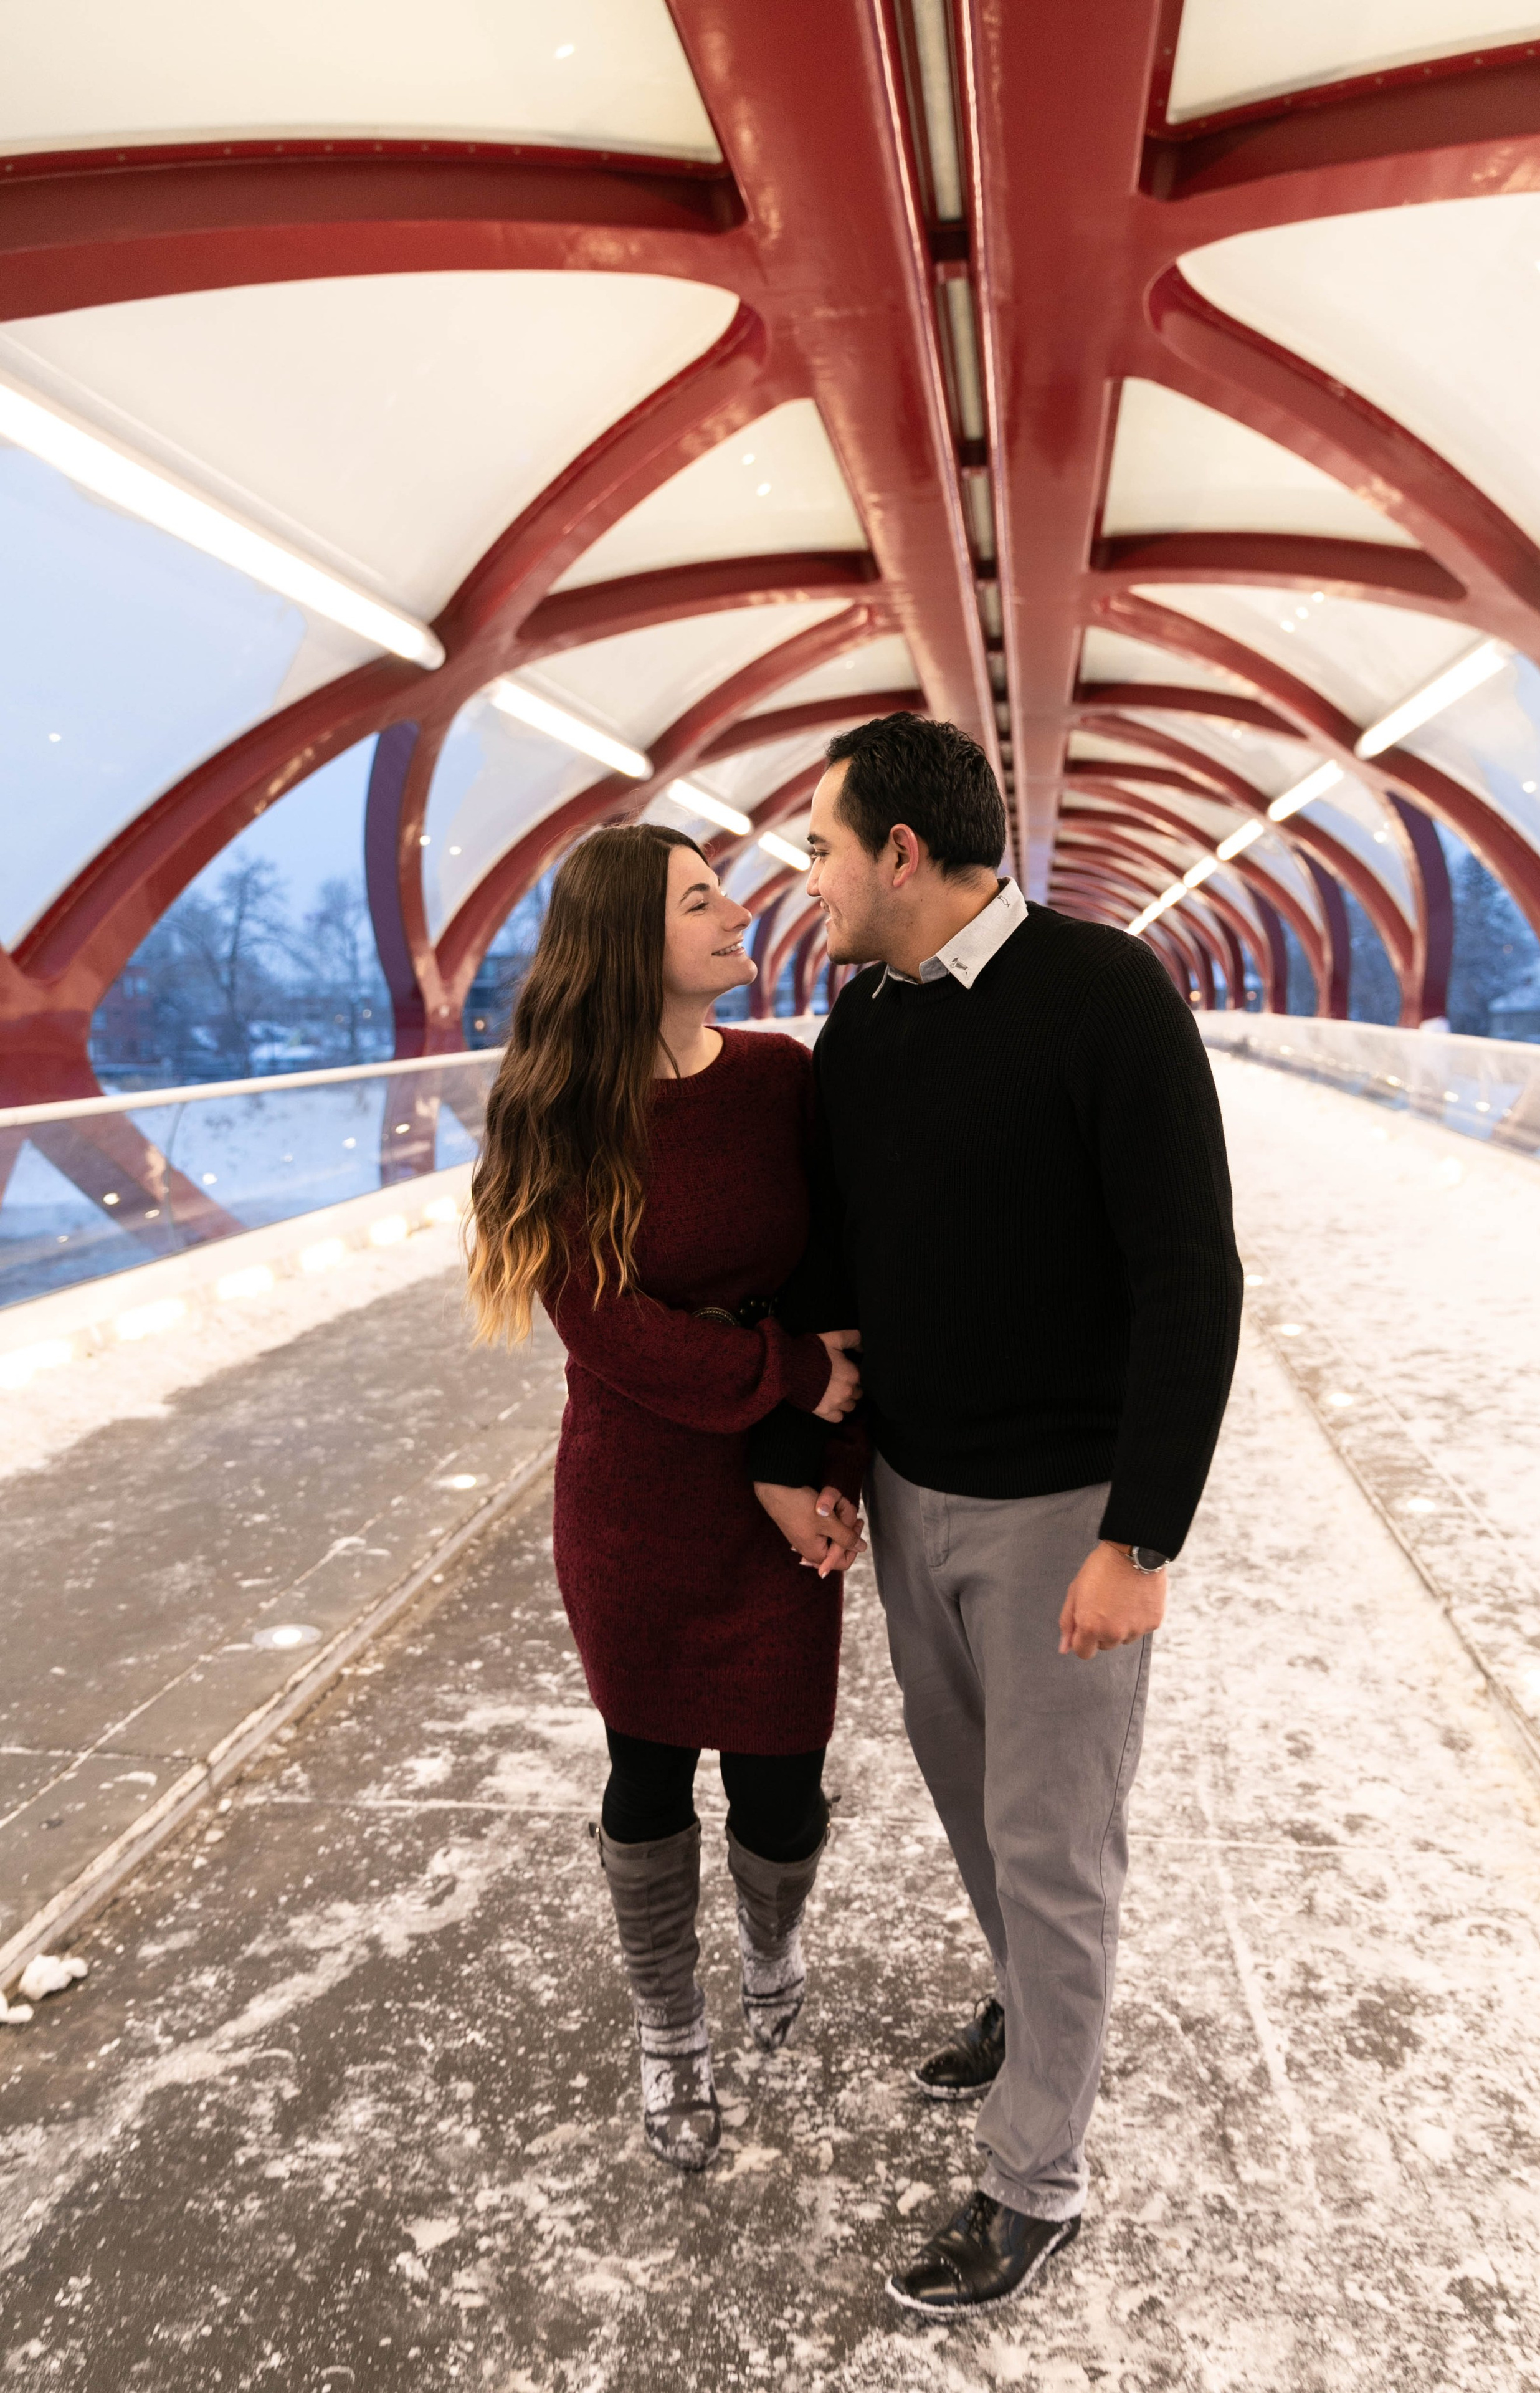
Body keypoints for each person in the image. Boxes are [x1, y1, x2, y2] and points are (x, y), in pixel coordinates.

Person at [750, 715, 1242, 2313]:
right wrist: (818, 1459)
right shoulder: (861, 1024)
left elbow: (1189, 1277)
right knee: (976, 1808)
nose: (805, 879)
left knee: (1054, 1843)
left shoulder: (1105, 996)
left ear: (901, 853)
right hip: (914, 1494)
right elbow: (839, 1267)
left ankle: (1035, 2179)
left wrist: (1140, 1537)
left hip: (1062, 1512)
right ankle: (1034, 2016)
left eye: (820, 849)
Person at [467, 823, 866, 2175]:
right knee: (646, 1771)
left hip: (781, 1492)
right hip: (633, 1501)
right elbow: (611, 1333)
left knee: (783, 1786)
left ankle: (771, 1938)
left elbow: (838, 1287)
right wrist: (792, 1375)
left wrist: (821, 1467)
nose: (737, 912)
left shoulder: (781, 1078)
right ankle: (667, 2024)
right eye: (701, 900)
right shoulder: (556, 1116)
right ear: (629, 946)